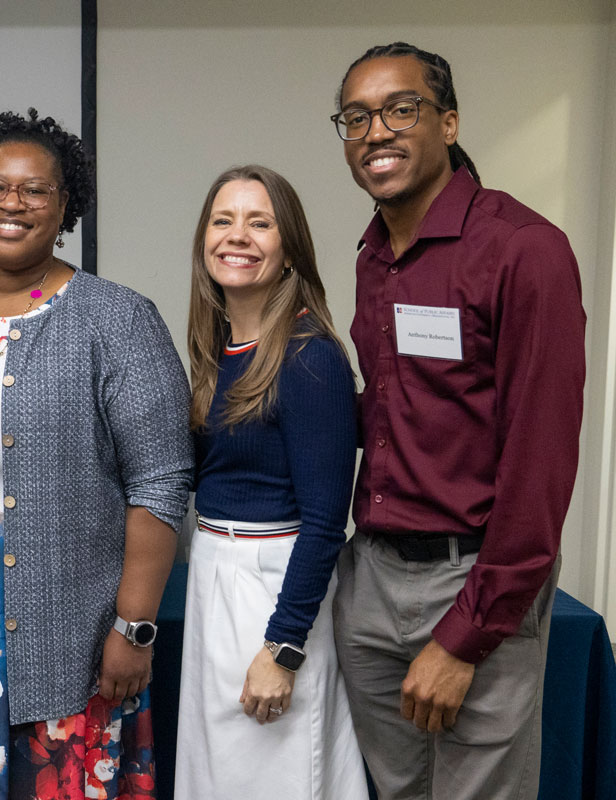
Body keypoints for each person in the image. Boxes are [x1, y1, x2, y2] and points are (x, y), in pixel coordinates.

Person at [0, 108, 192, 799]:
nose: (12, 204)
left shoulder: (115, 317)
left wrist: (134, 628)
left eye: (36, 190)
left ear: (66, 208)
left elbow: (161, 483)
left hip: (61, 620)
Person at [330, 42, 586, 800]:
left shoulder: (524, 251)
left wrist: (468, 635)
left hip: (474, 580)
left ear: (448, 123)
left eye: (400, 109)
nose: (375, 131)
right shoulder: (374, 255)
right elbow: (394, 411)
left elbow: (539, 464)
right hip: (371, 579)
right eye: (355, 117)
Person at [173, 165, 367, 799]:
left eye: (261, 223)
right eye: (223, 220)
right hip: (213, 572)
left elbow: (324, 524)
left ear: (290, 250)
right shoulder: (216, 349)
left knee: (272, 779)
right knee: (218, 778)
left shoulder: (310, 357)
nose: (238, 236)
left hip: (271, 587)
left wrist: (282, 648)